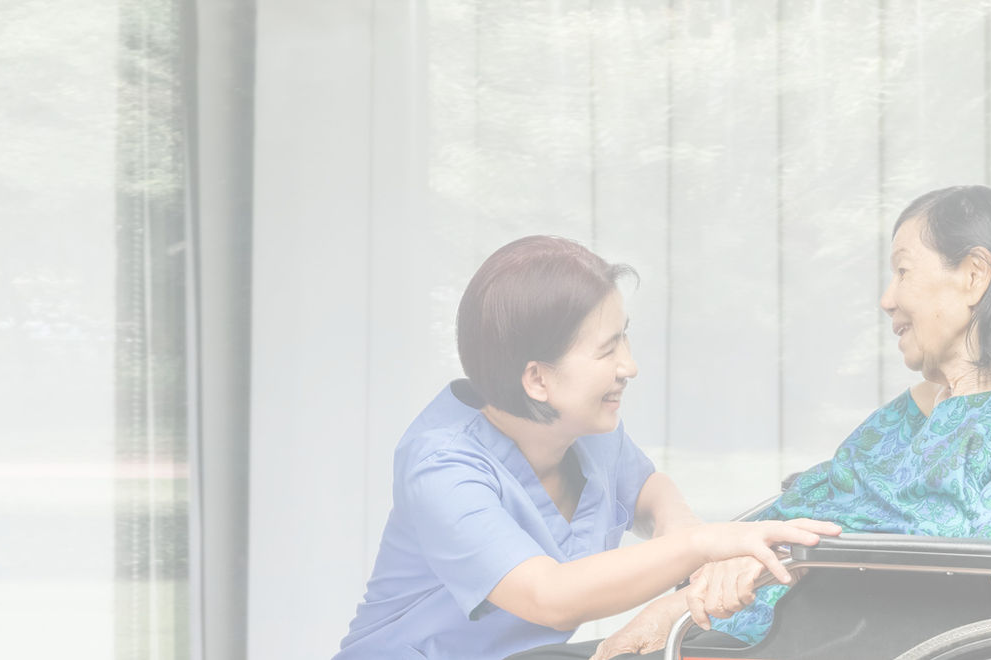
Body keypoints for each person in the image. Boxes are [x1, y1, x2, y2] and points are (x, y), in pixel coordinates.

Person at [519, 185, 991, 660]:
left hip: (826, 637)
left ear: (975, 276)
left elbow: (972, 580)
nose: (887, 299)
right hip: (753, 617)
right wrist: (705, 569)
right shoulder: (917, 409)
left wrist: (761, 566)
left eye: (903, 271)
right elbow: (820, 498)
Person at [332, 235, 839, 660]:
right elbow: (550, 597)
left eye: (626, 339)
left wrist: (681, 529)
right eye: (607, 350)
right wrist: (705, 544)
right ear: (537, 379)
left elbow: (646, 488)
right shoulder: (441, 467)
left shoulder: (587, 431)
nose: (630, 367)